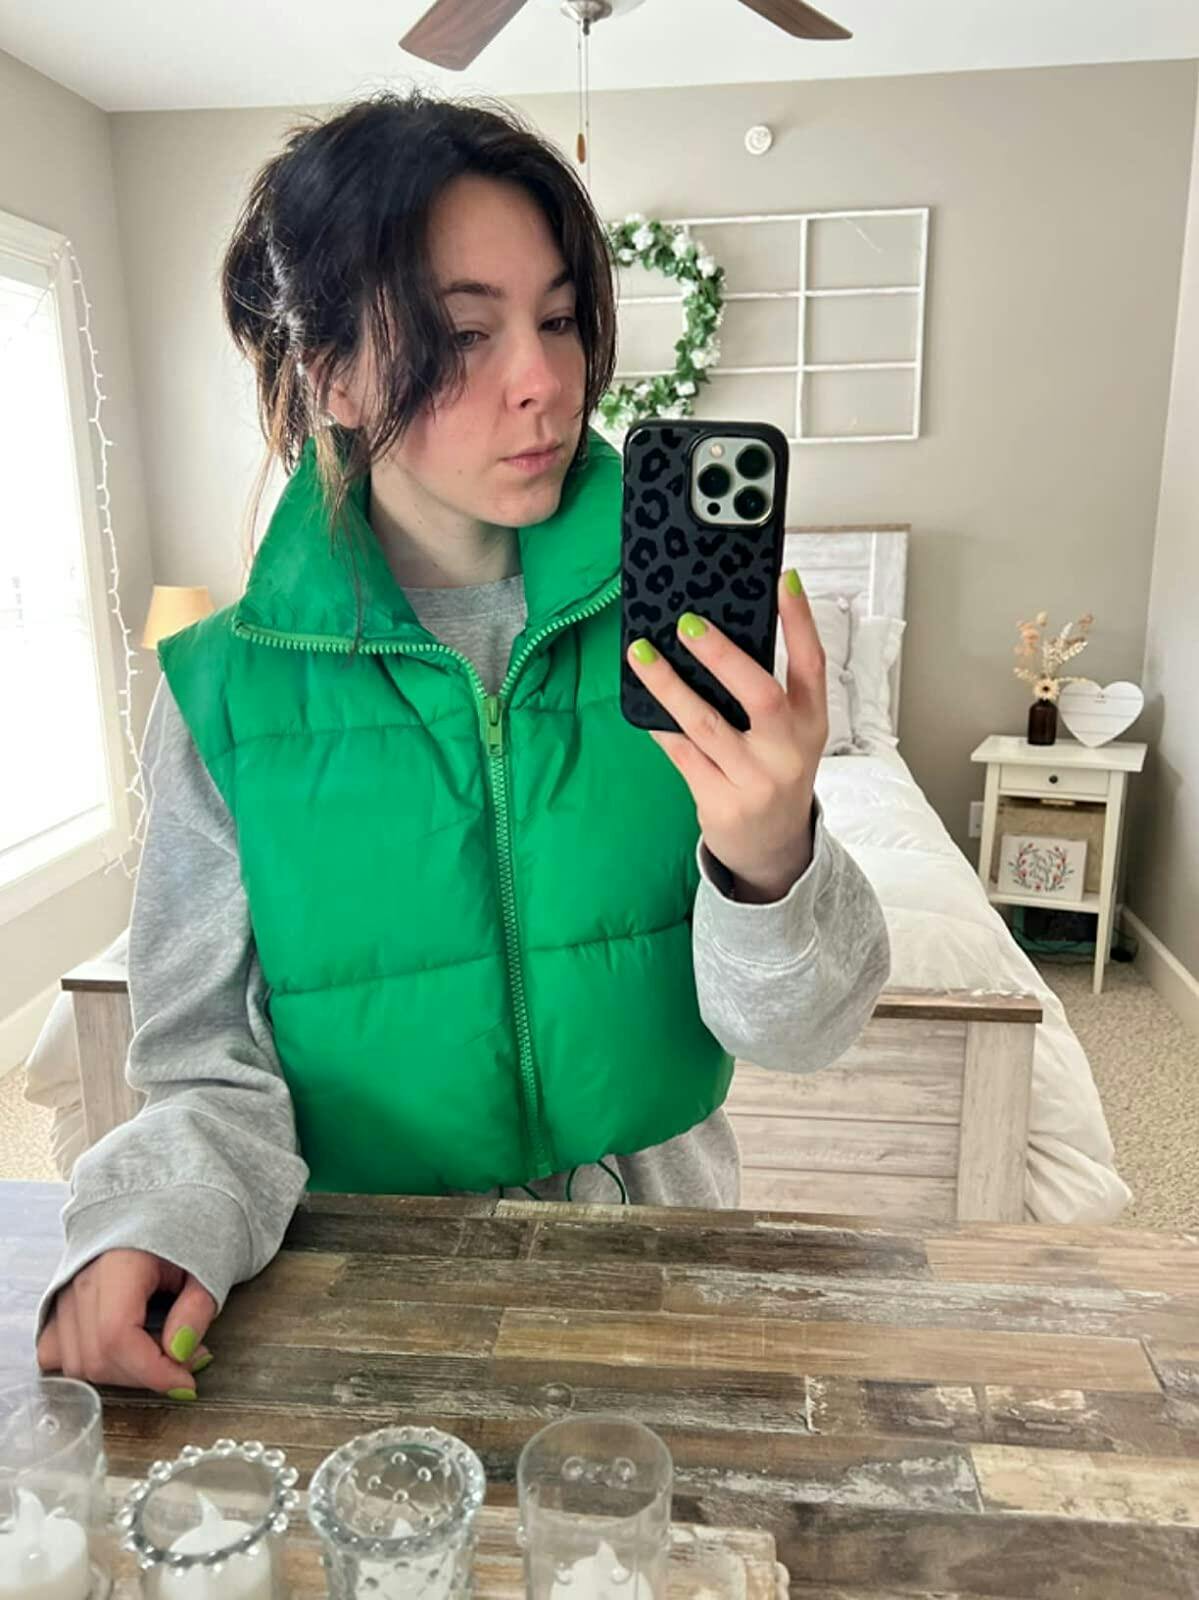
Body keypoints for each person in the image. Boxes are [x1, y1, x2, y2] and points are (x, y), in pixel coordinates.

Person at [35, 89, 890, 1397]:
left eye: (561, 319)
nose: (544, 381)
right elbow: (205, 1073)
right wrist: (149, 1222)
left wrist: (772, 857)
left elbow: (807, 1034)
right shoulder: (222, 695)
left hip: (660, 1284)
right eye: (462, 333)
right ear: (331, 374)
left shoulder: (687, 637)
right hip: (365, 1308)